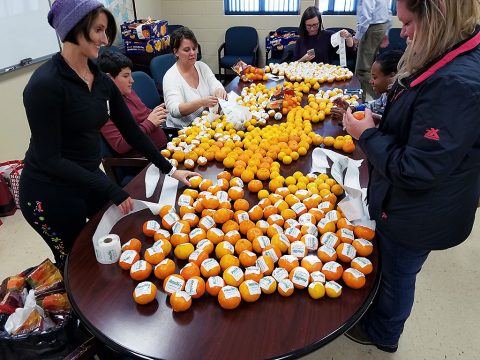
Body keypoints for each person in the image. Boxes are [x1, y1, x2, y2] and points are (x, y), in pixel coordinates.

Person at [343, 0, 480, 353]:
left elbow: (417, 168)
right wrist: (382, 123)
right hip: (420, 204)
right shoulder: (447, 55)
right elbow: (422, 130)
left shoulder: (455, 84)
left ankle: (384, 334)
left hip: (421, 213)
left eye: (407, 22)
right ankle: (381, 317)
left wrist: (367, 137)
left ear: (435, 18)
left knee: (397, 274)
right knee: (393, 269)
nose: (401, 31)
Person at [19, 0, 198, 269]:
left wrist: (170, 170)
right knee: (75, 263)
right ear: (74, 28)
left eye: (106, 31)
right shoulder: (44, 85)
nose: (105, 39)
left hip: (89, 179)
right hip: (49, 192)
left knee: (117, 240)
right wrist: (111, 188)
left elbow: (133, 132)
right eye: (98, 30)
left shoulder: (100, 79)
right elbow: (49, 160)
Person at [97, 50, 168, 157]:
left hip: (165, 149)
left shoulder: (127, 92)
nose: (132, 80)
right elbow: (120, 145)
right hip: (145, 162)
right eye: (126, 76)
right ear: (108, 78)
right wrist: (149, 123)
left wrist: (157, 113)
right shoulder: (103, 107)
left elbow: (143, 114)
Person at [163, 27, 227, 128]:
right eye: (187, 50)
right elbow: (175, 110)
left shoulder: (201, 66)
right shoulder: (170, 77)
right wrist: (201, 102)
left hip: (205, 122)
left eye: (194, 48)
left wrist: (218, 90)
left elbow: (213, 83)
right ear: (176, 52)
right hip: (185, 130)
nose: (192, 53)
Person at [331, 49, 403, 122]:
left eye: (375, 77)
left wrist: (348, 120)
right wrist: (353, 109)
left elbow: (383, 126)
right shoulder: (387, 94)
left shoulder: (399, 103)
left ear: (393, 76)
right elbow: (374, 106)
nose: (370, 81)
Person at [353, 0, 392, 100]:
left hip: (371, 28)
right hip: (380, 27)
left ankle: (383, 100)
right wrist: (386, 32)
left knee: (362, 71)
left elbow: (366, 16)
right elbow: (388, 11)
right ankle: (361, 100)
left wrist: (357, 37)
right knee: (368, 68)